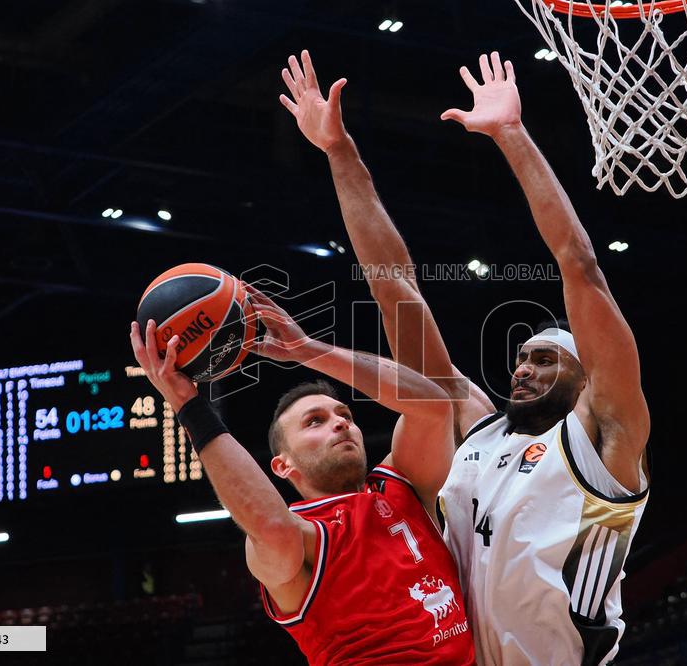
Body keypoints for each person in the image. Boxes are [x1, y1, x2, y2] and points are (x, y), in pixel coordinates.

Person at [280, 49, 650, 665]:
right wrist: (341, 155)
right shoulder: (476, 427)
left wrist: (512, 136)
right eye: (522, 357)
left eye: (545, 360)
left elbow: (579, 267)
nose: (523, 368)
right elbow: (394, 284)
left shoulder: (606, 435)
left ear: (589, 378)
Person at [129, 284, 474, 664]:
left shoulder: (399, 483)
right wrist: (188, 405)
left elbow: (433, 405)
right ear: (282, 465)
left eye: (345, 416)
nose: (341, 425)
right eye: (315, 422)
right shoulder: (303, 534)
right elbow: (270, 525)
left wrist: (309, 351)